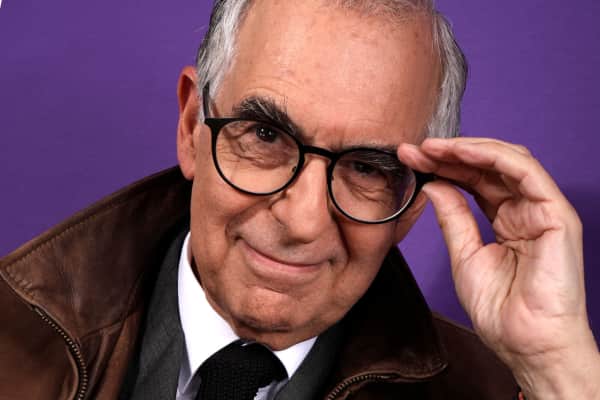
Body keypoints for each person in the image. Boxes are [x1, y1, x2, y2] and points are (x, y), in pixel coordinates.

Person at [1, 0, 598, 399]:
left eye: (367, 167)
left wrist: (557, 371)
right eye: (265, 136)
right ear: (190, 127)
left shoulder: (504, 392)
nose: (303, 221)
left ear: (414, 204)